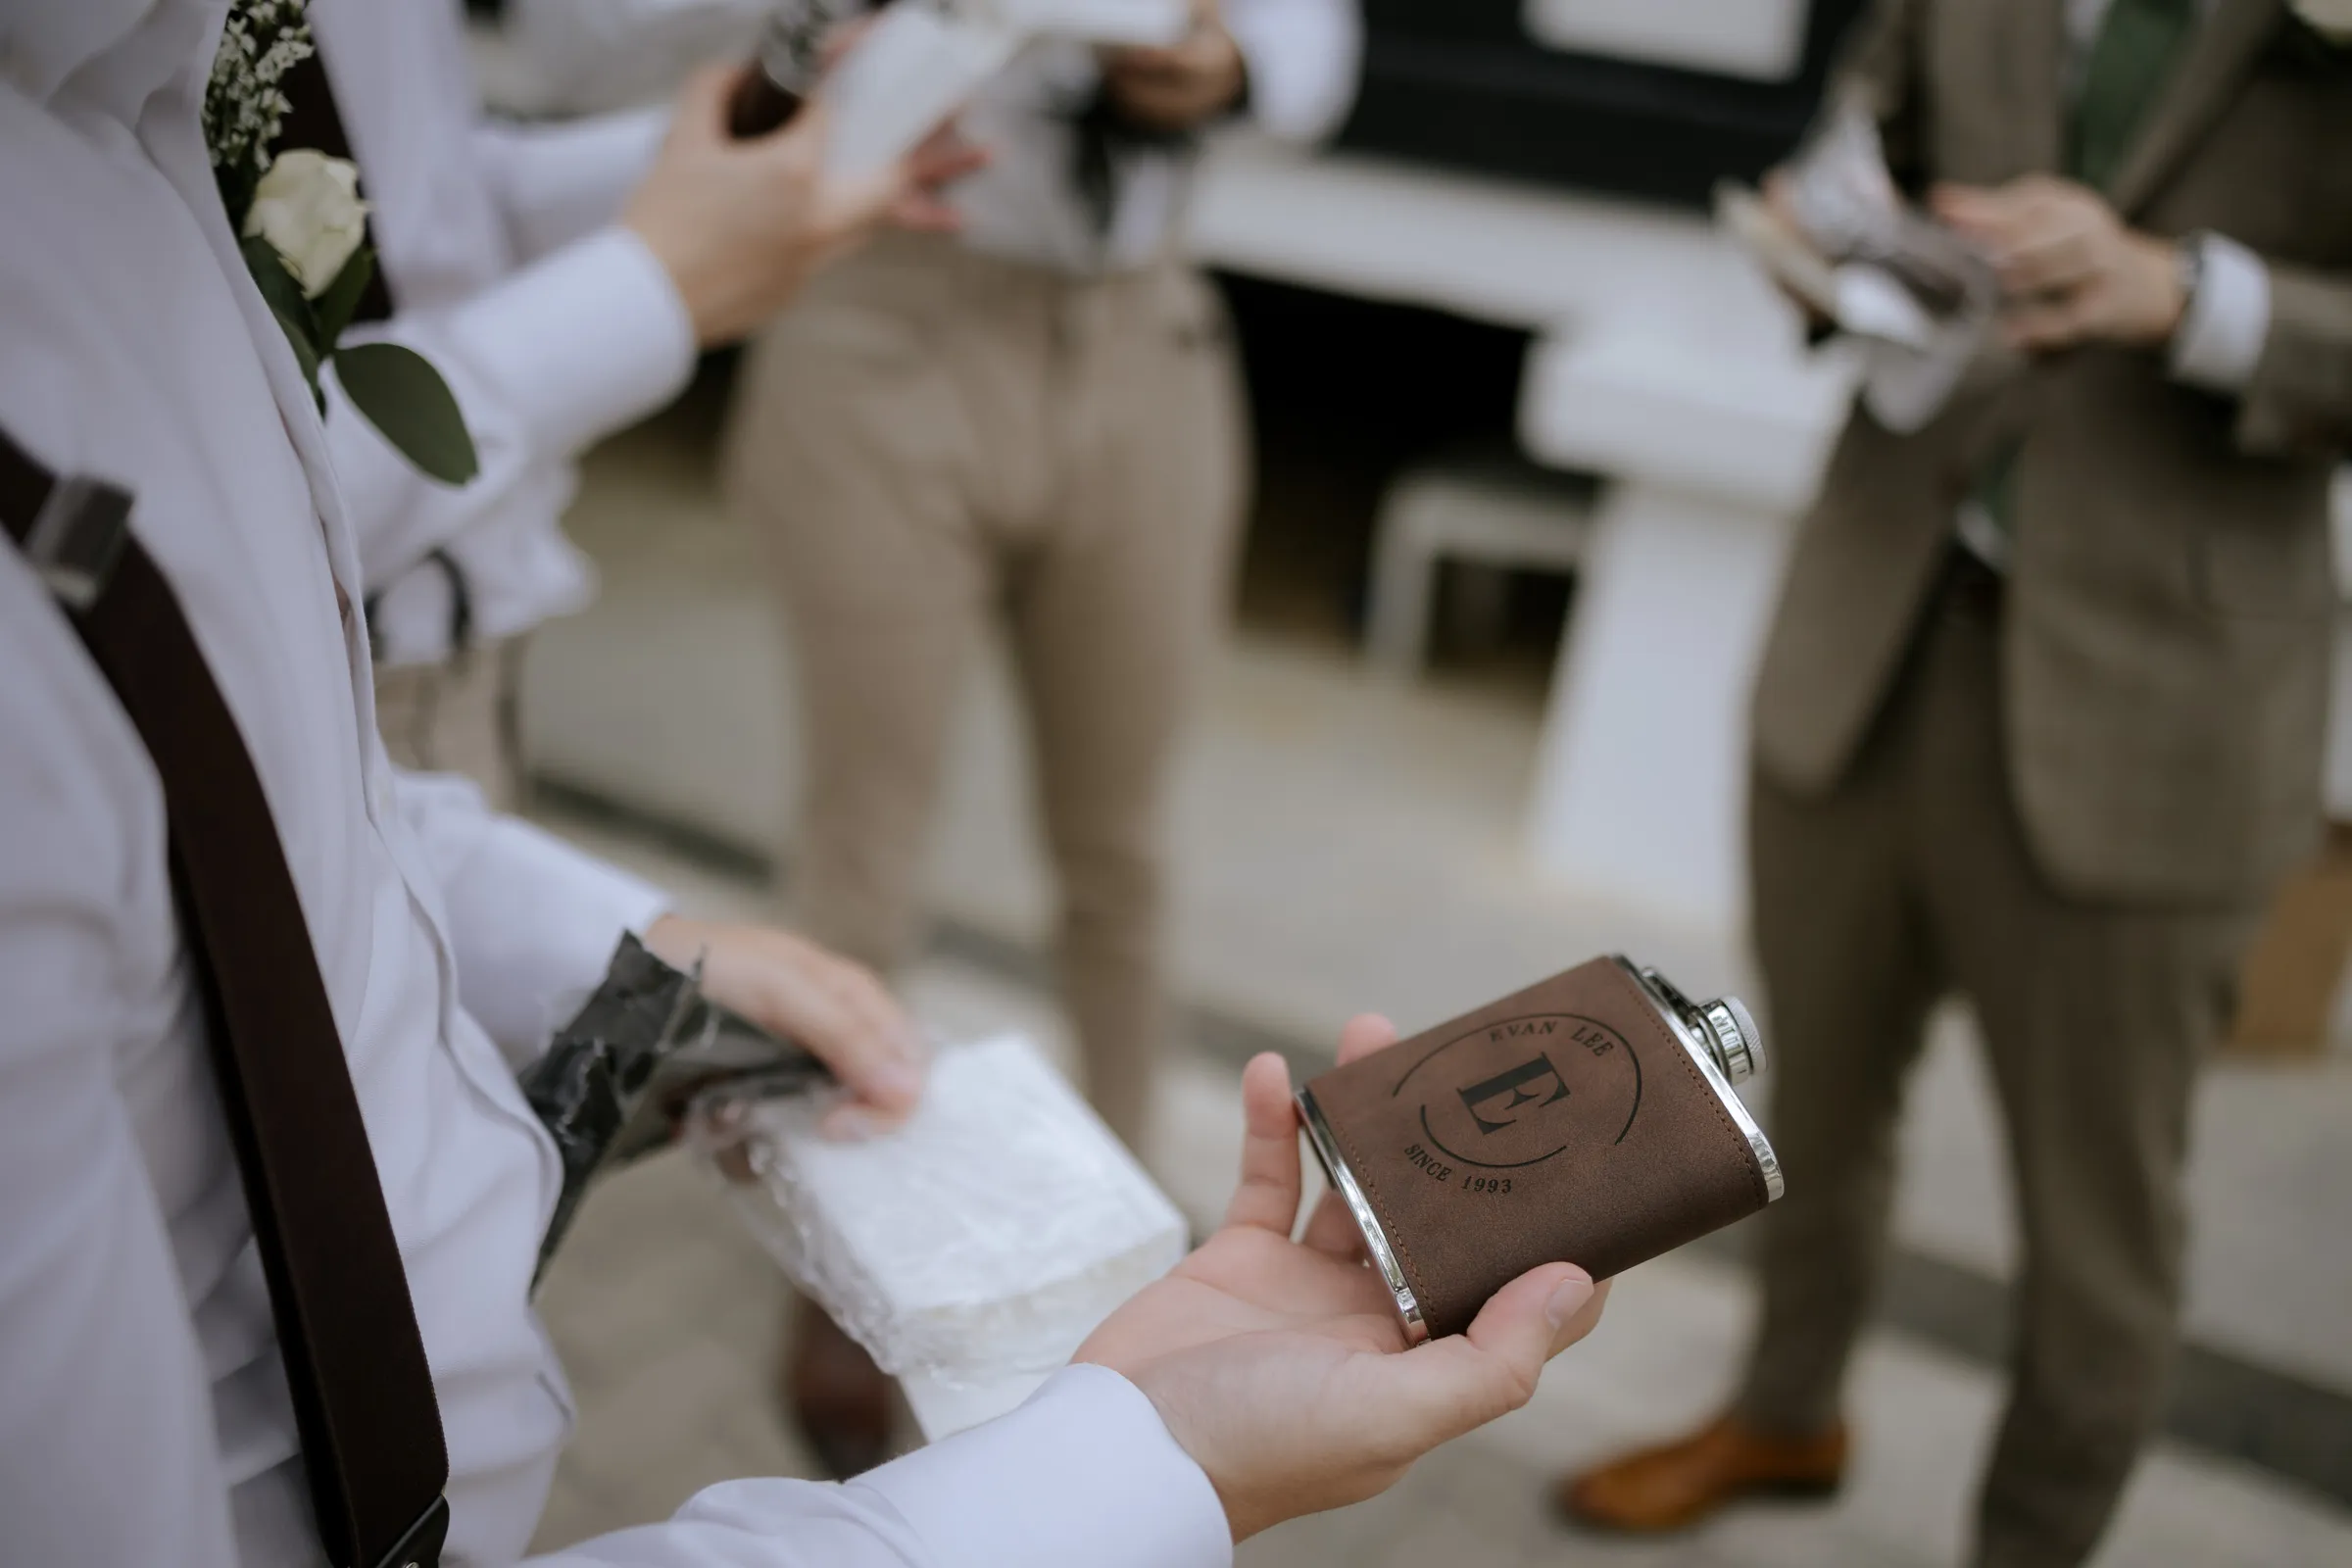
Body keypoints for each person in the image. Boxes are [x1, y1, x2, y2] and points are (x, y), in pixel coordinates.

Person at [0, 4, 1607, 1564]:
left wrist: (1222, 56)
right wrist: (1142, 1471)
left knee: (1119, 852)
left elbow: (268, 782)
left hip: (1135, 314)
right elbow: (577, 43)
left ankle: (1114, 1258)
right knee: (866, 841)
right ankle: (872, 1301)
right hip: (889, 301)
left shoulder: (121, 135)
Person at [1557, 1, 2352, 1563]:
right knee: (1811, 1097)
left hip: (2162, 690)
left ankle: (2032, 1545)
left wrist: (2193, 297)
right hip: (1875, 617)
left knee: (2098, 1215)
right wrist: (1817, 233)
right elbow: (1866, 144)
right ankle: (1785, 1411)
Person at [307, 0, 967, 808]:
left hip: (465, 653)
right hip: (330, 679)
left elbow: (426, 193)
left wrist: (734, 163)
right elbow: (269, 482)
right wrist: (650, 284)